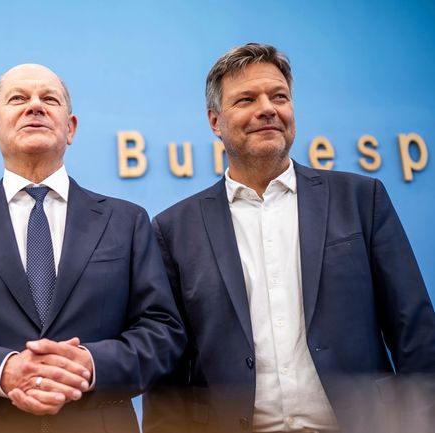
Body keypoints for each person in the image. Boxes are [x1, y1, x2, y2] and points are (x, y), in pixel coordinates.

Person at [144, 43, 435, 433]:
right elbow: (170, 371)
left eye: (278, 96)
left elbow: (414, 329)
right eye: (246, 99)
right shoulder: (173, 229)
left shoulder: (361, 200)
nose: (267, 108)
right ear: (215, 121)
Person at [0, 63, 185, 433]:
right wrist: (2, 370)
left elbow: (163, 333)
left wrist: (89, 365)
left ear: (70, 128)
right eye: (18, 98)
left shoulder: (127, 221)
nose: (35, 106)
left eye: (49, 99)